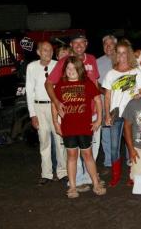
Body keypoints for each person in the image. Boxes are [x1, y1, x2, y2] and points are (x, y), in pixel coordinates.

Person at [45, 34, 101, 192]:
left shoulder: (91, 59)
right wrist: (56, 107)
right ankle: (75, 182)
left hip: (89, 116)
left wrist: (98, 114)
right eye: (75, 43)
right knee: (72, 155)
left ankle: (92, 180)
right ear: (71, 45)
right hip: (70, 120)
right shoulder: (64, 63)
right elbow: (49, 84)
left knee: (90, 152)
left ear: (86, 43)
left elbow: (95, 85)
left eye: (81, 42)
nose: (78, 46)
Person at [51, 56, 106, 198]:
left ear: (79, 69)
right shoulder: (61, 85)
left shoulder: (86, 83)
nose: (71, 71)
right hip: (68, 128)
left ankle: (96, 183)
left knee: (88, 155)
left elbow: (98, 100)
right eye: (68, 68)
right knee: (71, 156)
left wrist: (99, 119)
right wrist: (56, 123)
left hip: (84, 127)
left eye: (74, 68)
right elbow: (54, 104)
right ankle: (73, 187)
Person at [103, 39, 141, 187]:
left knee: (131, 146)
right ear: (115, 55)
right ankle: (115, 176)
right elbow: (107, 97)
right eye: (119, 53)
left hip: (132, 114)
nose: (122, 56)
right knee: (114, 147)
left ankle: (132, 175)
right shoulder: (110, 74)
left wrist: (140, 95)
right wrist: (107, 115)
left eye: (124, 53)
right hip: (116, 115)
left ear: (129, 54)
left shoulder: (136, 72)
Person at [26, 41, 67, 185]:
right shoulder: (31, 67)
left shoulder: (58, 64)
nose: (48, 52)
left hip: (55, 106)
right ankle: (46, 173)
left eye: (50, 50)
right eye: (44, 50)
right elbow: (29, 92)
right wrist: (33, 114)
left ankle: (63, 172)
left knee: (60, 140)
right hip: (39, 107)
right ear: (38, 52)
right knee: (44, 141)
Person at [97, 34, 117, 176]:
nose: (108, 47)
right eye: (105, 44)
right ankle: (109, 162)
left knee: (125, 131)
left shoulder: (123, 59)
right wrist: (106, 92)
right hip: (104, 100)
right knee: (106, 132)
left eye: (111, 44)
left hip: (122, 101)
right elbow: (95, 82)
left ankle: (129, 160)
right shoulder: (97, 62)